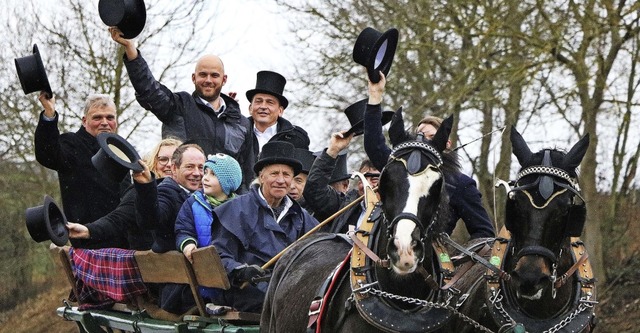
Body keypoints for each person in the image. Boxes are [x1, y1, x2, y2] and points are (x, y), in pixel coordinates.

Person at [109, 27, 254, 190]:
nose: (208, 80)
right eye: (202, 75)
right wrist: (131, 49)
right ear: (193, 78)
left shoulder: (241, 124)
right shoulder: (179, 106)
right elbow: (149, 90)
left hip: (223, 206)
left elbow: (247, 173)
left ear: (224, 79)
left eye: (214, 75)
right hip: (180, 198)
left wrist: (241, 207)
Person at [363, 72, 495, 239]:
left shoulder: (460, 184)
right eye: (419, 136)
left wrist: (455, 260)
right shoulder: (398, 169)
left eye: (431, 138)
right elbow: (374, 144)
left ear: (446, 144)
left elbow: (484, 232)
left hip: (431, 258)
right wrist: (375, 96)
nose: (423, 143)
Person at [210, 141, 318, 313]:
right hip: (243, 292)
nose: (281, 180)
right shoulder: (235, 210)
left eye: (287, 175)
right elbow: (219, 256)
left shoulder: (303, 218)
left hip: (289, 290)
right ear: (261, 176)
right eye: (274, 173)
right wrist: (240, 271)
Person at [34, 92, 129, 249]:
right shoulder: (72, 144)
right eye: (97, 118)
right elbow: (47, 154)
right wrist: (49, 114)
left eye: (110, 118)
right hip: (88, 241)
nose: (105, 122)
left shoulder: (122, 151)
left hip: (124, 241)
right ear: (85, 121)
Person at [65, 138, 182, 250]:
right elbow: (119, 219)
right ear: (154, 162)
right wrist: (88, 230)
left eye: (175, 160)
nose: (169, 165)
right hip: (154, 264)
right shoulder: (141, 191)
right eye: (163, 159)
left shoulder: (194, 193)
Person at [303, 130, 381, 233]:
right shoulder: (344, 207)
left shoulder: (397, 214)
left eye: (374, 180)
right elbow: (314, 191)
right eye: (361, 179)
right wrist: (332, 151)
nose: (365, 186)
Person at [245, 70, 311, 179]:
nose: (263, 106)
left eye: (270, 102)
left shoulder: (296, 138)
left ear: (280, 110)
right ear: (250, 108)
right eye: (258, 101)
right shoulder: (237, 132)